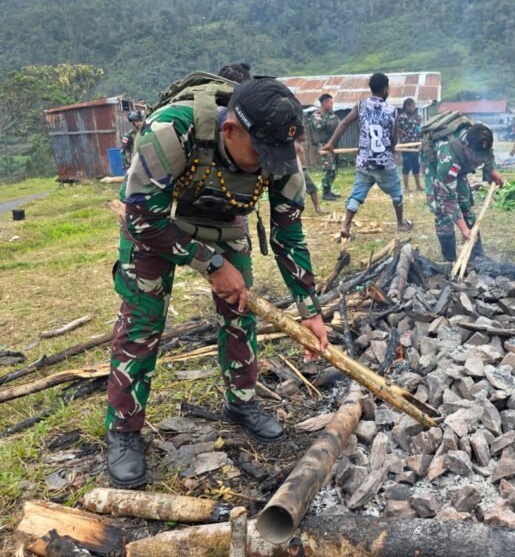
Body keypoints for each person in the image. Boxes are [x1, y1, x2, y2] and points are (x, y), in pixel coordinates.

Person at [105, 77, 328, 489]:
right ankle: (123, 430)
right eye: (259, 154)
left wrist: (309, 309)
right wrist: (211, 264)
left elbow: (288, 234)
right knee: (142, 323)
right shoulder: (170, 131)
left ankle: (240, 403)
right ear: (230, 130)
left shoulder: (278, 153)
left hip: (223, 220)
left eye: (275, 157)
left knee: (240, 311)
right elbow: (141, 219)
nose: (266, 165)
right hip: (156, 220)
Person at [322, 72, 413, 239]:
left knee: (357, 194)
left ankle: (346, 226)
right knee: (396, 192)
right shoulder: (392, 110)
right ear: (385, 89)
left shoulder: (361, 106)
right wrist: (392, 149)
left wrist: (331, 143)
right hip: (384, 162)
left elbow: (344, 123)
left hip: (364, 161)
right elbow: (394, 137)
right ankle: (400, 223)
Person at [430, 124, 505, 260]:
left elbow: (489, 154)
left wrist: (491, 170)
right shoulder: (447, 162)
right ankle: (449, 260)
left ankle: (477, 256)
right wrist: (464, 229)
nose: (478, 160)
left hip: (460, 165)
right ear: (465, 145)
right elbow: (448, 199)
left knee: (465, 206)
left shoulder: (480, 138)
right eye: (476, 156)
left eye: (481, 156)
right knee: (443, 213)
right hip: (436, 167)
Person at [310, 93, 341, 200]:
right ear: (325, 103)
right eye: (331, 103)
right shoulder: (316, 115)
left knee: (333, 169)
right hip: (323, 145)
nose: (332, 105)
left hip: (332, 144)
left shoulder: (331, 114)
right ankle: (325, 193)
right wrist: (328, 116)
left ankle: (329, 190)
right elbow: (319, 126)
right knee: (328, 168)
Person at [295, 130, 328, 215]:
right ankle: (317, 208)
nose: (306, 135)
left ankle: (317, 207)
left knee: (306, 190)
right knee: (312, 189)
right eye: (304, 134)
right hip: (299, 171)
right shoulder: (295, 145)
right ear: (298, 135)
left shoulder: (299, 144)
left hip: (302, 170)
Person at [397, 98, 424, 192]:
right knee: (407, 166)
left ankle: (418, 185)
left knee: (416, 165)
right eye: (412, 106)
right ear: (407, 106)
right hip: (406, 145)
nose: (413, 108)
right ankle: (406, 187)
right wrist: (401, 132)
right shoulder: (402, 116)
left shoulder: (414, 117)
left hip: (415, 145)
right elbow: (395, 127)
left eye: (414, 106)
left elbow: (416, 129)